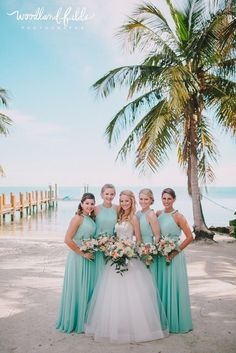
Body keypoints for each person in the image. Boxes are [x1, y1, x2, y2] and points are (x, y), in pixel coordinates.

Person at [85, 190, 168, 343]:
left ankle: (133, 328)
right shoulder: (119, 215)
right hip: (116, 256)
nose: (123, 203)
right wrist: (116, 248)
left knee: (132, 294)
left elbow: (138, 239)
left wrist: (128, 251)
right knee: (112, 293)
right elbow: (115, 234)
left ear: (131, 202)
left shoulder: (134, 218)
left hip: (129, 257)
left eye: (126, 201)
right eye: (122, 201)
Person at [56, 193, 96, 333]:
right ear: (81, 203)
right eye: (87, 203)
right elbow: (67, 239)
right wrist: (82, 253)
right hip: (78, 257)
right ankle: (73, 321)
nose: (89, 206)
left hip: (88, 257)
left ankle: (84, 320)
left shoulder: (90, 218)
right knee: (77, 287)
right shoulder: (77, 218)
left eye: (92, 203)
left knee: (86, 287)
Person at [156, 188, 193, 333]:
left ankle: (174, 321)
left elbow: (190, 237)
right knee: (161, 286)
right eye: (164, 198)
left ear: (174, 199)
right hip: (160, 255)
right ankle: (162, 320)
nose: (166, 201)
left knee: (173, 286)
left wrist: (174, 252)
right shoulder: (158, 214)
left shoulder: (178, 216)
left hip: (174, 256)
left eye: (169, 199)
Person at [94, 184, 118, 281]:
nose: (109, 196)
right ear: (101, 194)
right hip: (98, 245)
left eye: (112, 194)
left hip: (113, 246)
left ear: (114, 195)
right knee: (98, 272)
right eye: (106, 194)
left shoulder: (117, 208)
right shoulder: (95, 209)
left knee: (110, 274)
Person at [136, 188, 160, 283]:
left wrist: (150, 253)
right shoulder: (138, 214)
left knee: (149, 278)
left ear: (151, 200)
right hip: (138, 247)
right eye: (141, 199)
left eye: (146, 199)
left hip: (148, 248)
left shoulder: (151, 215)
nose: (143, 201)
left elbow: (157, 236)